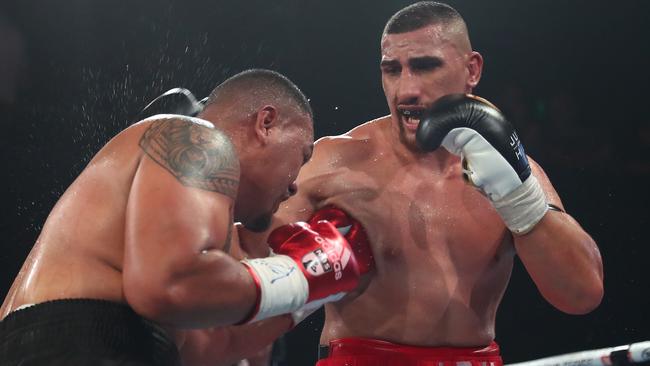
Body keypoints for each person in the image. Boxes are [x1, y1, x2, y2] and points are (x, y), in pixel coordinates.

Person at [240, 3, 604, 365]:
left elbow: (581, 293)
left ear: (471, 69)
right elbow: (235, 278)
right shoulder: (332, 165)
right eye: (392, 70)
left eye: (425, 66)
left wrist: (519, 198)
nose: (406, 89)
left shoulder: (513, 171)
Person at [0, 69, 372, 366]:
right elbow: (170, 285)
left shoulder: (203, 233)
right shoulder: (198, 139)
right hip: (68, 345)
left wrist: (313, 291)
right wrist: (299, 274)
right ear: (266, 123)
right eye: (302, 157)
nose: (295, 185)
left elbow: (207, 348)